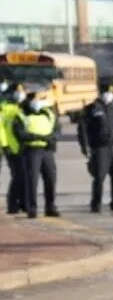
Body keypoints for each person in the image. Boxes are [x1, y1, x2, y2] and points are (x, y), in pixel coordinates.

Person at [79, 77, 113, 212]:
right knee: (99, 176)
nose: (107, 94)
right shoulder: (92, 108)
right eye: (105, 91)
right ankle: (96, 202)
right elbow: (83, 129)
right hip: (100, 147)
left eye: (110, 91)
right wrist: (85, 146)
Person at [13, 85, 59, 218]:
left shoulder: (49, 113)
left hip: (47, 151)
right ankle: (31, 208)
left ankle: (50, 207)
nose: (37, 101)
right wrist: (39, 137)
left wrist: (51, 139)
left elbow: (56, 130)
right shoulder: (22, 114)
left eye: (40, 98)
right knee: (32, 181)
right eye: (35, 98)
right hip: (32, 150)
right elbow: (20, 133)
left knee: (51, 179)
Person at [0, 84, 24, 214]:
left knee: (20, 176)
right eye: (18, 91)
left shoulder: (18, 107)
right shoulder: (5, 108)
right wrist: (5, 145)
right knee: (18, 176)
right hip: (10, 148)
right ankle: (12, 204)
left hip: (19, 147)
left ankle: (22, 203)